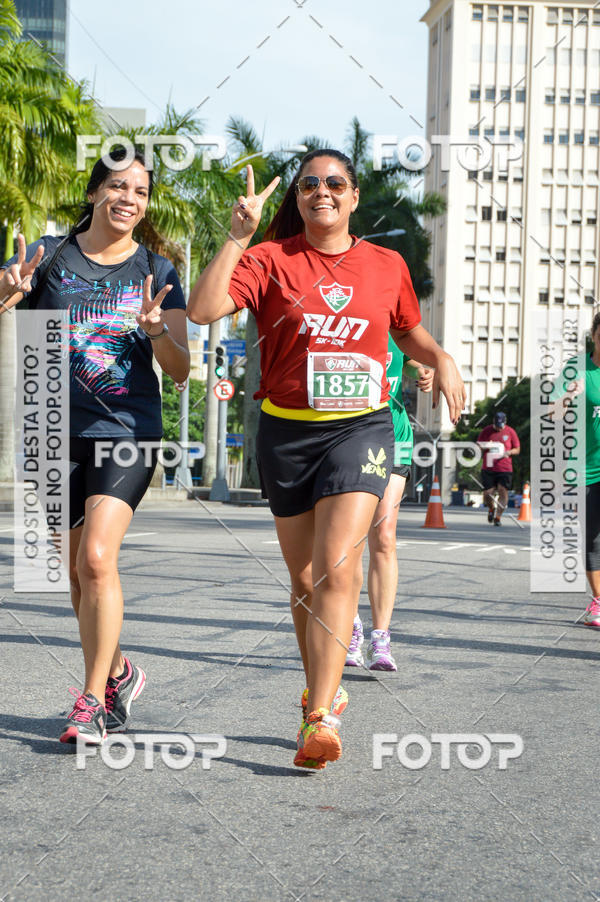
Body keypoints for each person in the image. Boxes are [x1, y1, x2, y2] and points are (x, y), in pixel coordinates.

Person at [187, 149, 465, 769]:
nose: (323, 191)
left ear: (354, 195)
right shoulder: (267, 259)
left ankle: (322, 714)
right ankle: (319, 688)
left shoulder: (385, 264)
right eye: (310, 183)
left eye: (335, 182)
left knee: (338, 567)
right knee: (306, 581)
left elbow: (407, 330)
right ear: (300, 197)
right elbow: (203, 311)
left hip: (360, 430)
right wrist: (236, 238)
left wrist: (440, 356)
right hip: (285, 434)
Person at [1, 148, 190, 744]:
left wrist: (157, 330)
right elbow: (10, 301)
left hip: (126, 429)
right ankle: (119, 672)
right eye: (116, 185)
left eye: (139, 190)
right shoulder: (49, 256)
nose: (128, 198)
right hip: (48, 421)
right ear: (94, 193)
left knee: (97, 560)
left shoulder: (157, 273)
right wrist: (6, 291)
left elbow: (181, 370)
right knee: (76, 574)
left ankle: (90, 701)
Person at [347, 345, 433, 671]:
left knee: (383, 535)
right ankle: (351, 626)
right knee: (350, 539)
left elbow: (407, 360)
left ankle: (380, 638)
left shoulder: (393, 316)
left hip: (394, 433)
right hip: (349, 434)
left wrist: (421, 371)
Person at [550, 313, 600, 628]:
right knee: (593, 538)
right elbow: (552, 413)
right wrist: (569, 395)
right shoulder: (577, 368)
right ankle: (599, 601)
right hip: (587, 468)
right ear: (593, 335)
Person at [477, 411, 520, 526]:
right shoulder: (486, 431)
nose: (499, 428)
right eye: (496, 426)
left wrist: (509, 452)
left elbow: (517, 449)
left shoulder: (510, 432)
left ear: (505, 422)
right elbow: (478, 446)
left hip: (505, 468)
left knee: (503, 491)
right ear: (493, 422)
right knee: (487, 493)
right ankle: (491, 509)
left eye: (500, 426)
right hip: (489, 467)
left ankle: (498, 517)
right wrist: (487, 445)